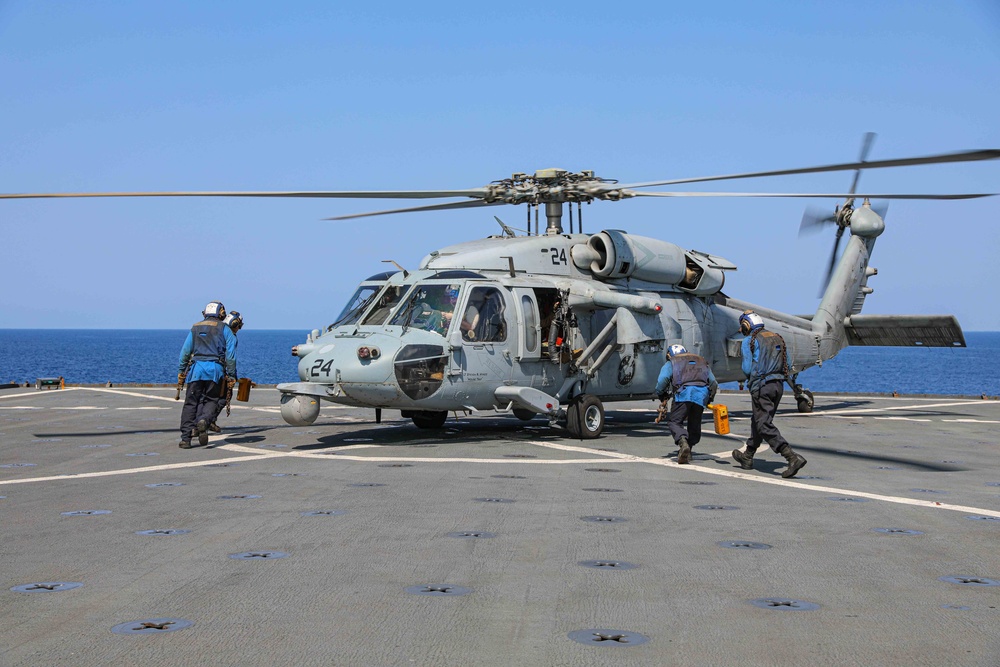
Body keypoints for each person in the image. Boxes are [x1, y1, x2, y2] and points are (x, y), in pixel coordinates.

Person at [731, 311, 807, 478]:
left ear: (746, 325)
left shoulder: (749, 341)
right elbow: (787, 363)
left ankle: (791, 456)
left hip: (762, 386)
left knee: (763, 424)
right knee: (759, 420)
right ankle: (748, 456)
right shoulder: (777, 337)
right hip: (777, 386)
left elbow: (747, 369)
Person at [177, 301, 237, 449]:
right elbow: (230, 357)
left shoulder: (195, 327)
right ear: (221, 313)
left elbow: (185, 352)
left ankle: (186, 438)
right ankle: (204, 420)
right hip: (215, 372)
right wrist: (231, 375)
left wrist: (181, 371)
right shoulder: (225, 329)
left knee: (190, 403)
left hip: (196, 371)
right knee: (211, 400)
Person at [654, 344, 718, 464]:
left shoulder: (671, 362)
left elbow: (662, 381)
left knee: (675, 422)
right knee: (694, 422)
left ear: (669, 355)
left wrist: (661, 394)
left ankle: (683, 441)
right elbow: (713, 383)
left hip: (683, 394)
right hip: (701, 395)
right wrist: (709, 398)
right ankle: (689, 449)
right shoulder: (701, 361)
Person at [205, 310, 243, 434]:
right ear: (235, 324)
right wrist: (232, 376)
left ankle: (201, 423)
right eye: (239, 326)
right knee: (223, 396)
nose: (239, 328)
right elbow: (230, 358)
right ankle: (209, 420)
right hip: (219, 370)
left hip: (203, 368)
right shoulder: (230, 336)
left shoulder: (216, 331)